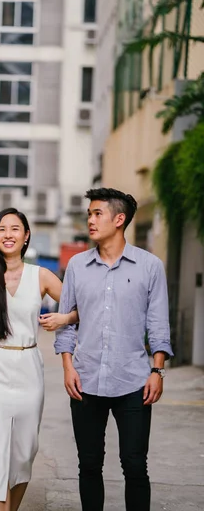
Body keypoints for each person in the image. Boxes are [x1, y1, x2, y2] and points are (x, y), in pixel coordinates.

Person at [0, 208, 78, 511]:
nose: (8, 234)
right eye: (2, 229)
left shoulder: (42, 276)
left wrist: (64, 317)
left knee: (24, 451)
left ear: (26, 236)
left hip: (28, 368)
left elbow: (84, 308)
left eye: (15, 229)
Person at [54, 188, 173, 511]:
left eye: (97, 214)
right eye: (89, 214)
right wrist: (68, 367)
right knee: (89, 464)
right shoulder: (78, 266)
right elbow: (67, 322)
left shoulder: (150, 266)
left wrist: (157, 370)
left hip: (133, 381)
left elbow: (158, 324)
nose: (90, 220)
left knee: (135, 465)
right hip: (86, 380)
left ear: (119, 220)